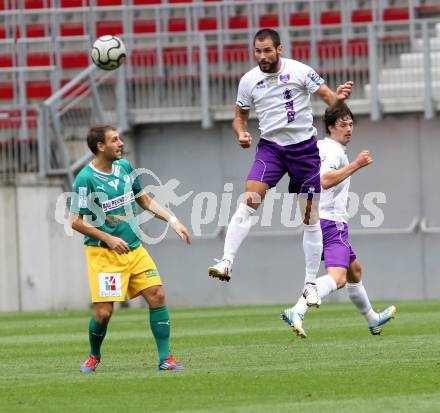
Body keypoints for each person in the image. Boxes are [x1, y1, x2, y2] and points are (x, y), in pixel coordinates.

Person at [208, 28, 353, 308]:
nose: (262, 56)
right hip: (271, 148)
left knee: (310, 218)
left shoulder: (300, 71)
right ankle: (226, 261)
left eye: (267, 51)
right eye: (257, 51)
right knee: (250, 198)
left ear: (279, 49)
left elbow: (329, 99)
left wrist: (340, 97)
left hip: (304, 150)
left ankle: (310, 284)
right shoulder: (249, 81)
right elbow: (239, 118)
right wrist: (240, 133)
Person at [70, 125, 191, 372]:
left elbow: (144, 200)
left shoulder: (125, 167)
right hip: (105, 255)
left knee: (157, 294)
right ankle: (94, 355)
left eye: (120, 138)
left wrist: (173, 220)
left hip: (135, 250)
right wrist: (108, 238)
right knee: (103, 313)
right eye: (114, 140)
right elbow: (75, 221)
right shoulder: (85, 179)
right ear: (100, 146)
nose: (121, 143)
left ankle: (165, 358)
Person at [282, 104, 396, 337]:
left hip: (318, 219)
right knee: (339, 278)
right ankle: (297, 310)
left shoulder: (321, 146)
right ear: (331, 127)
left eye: (351, 124)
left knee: (355, 270)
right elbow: (324, 180)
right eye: (343, 125)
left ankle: (373, 319)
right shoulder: (334, 151)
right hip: (331, 222)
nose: (349, 129)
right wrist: (356, 164)